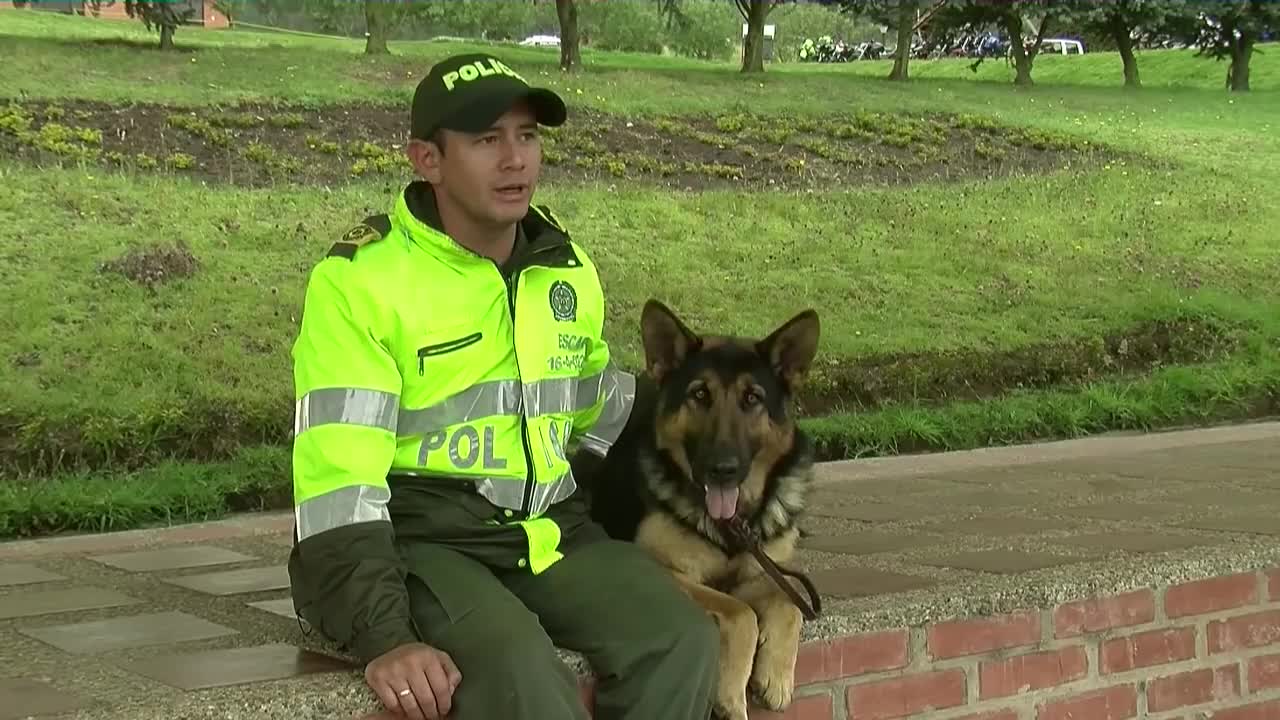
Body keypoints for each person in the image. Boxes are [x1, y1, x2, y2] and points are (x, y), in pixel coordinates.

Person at [285, 52, 719, 720]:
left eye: (528, 136)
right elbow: (335, 484)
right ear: (427, 159)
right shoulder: (360, 282)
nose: (516, 160)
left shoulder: (564, 271)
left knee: (682, 638)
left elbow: (594, 400)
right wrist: (385, 635)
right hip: (424, 543)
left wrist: (713, 435)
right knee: (523, 679)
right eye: (487, 140)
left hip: (548, 533)